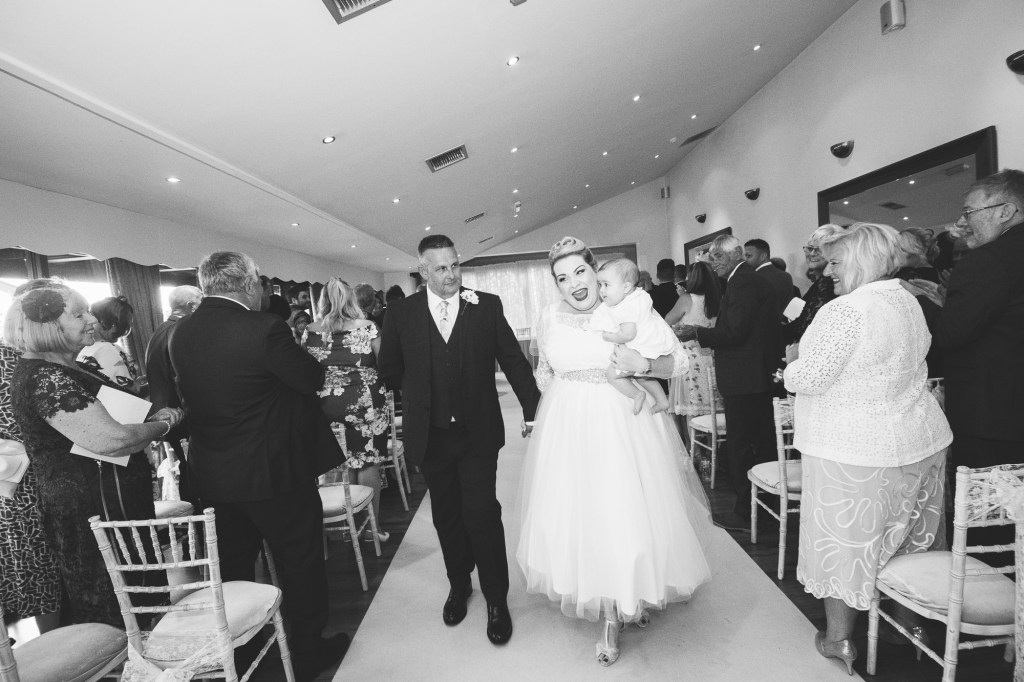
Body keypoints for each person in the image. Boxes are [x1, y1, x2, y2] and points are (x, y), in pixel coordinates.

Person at [516, 236, 713, 667]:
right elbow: (544, 374)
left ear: (596, 271)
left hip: (626, 421)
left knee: (627, 510)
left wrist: (643, 366)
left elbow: (678, 362)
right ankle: (608, 606)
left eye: (580, 272)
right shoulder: (549, 316)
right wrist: (561, 403)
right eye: (562, 278)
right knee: (582, 516)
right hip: (569, 427)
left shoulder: (628, 307)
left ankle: (625, 599)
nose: (574, 284)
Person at [169, 252, 348, 680]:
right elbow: (309, 378)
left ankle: (241, 650)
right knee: (299, 562)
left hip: (214, 474)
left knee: (233, 566)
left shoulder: (180, 333)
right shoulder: (265, 328)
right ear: (250, 284)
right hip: (275, 472)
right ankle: (308, 651)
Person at [784, 223, 951, 675]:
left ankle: (839, 639)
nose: (828, 272)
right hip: (919, 439)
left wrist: (793, 364)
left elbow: (810, 377)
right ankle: (911, 626)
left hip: (854, 448)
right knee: (908, 537)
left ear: (861, 262)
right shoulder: (908, 301)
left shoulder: (846, 310)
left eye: (836, 262)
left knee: (847, 543)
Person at [378, 234, 540, 646]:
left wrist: (533, 409)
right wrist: (420, 393)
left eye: (455, 265)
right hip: (430, 436)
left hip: (477, 432)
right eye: (441, 268)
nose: (451, 275)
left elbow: (513, 359)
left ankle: (497, 599)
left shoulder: (486, 306)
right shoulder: (400, 313)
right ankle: (459, 584)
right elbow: (390, 369)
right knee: (446, 515)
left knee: (482, 513)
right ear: (423, 271)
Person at [5, 284, 183, 626]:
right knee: (119, 611)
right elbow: (112, 439)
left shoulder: (66, 366)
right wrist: (162, 425)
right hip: (93, 509)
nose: (92, 320)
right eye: (78, 314)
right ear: (48, 328)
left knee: (140, 599)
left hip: (110, 501)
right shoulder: (45, 376)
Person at [906, 169, 1024, 470]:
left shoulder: (989, 259)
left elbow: (949, 334)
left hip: (993, 415)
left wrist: (917, 297)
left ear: (1005, 212)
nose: (963, 221)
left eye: (970, 212)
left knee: (990, 498)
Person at [676, 234, 781, 529]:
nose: (713, 263)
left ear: (736, 254)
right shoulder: (743, 279)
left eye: (718, 256)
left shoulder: (743, 281)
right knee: (758, 443)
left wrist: (696, 333)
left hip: (746, 378)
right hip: (753, 376)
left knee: (741, 445)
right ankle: (759, 506)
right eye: (711, 257)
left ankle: (747, 512)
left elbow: (735, 332)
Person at [303, 278, 390, 540]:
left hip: (326, 404)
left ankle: (348, 526)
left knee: (343, 461)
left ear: (322, 301)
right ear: (351, 299)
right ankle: (371, 529)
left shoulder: (311, 330)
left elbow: (305, 367)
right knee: (368, 461)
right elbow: (385, 363)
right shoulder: (367, 327)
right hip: (365, 402)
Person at [0, 280, 61, 634]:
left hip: (19, 476)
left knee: (33, 563)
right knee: (42, 564)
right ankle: (60, 646)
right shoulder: (20, 362)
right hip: (28, 476)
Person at [589, 258, 676, 414]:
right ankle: (662, 400)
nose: (601, 290)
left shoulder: (625, 307)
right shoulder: (639, 296)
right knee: (641, 376)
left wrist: (610, 336)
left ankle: (637, 394)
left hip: (640, 346)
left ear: (626, 287)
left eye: (606, 285)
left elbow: (628, 334)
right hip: (652, 341)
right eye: (599, 285)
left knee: (612, 375)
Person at [145, 285, 202, 504]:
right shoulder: (180, 330)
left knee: (188, 473)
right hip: (180, 414)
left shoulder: (162, 329)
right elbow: (184, 376)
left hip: (168, 411)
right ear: (191, 305)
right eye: (202, 301)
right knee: (193, 475)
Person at [664, 261, 723, 443]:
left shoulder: (687, 299)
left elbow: (667, 321)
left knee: (690, 406)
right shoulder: (719, 299)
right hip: (711, 356)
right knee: (711, 405)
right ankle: (712, 445)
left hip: (690, 357)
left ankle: (694, 449)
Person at [784, 225, 846, 351]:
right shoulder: (822, 281)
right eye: (810, 248)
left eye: (819, 250)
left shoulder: (830, 282)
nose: (812, 253)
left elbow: (806, 327)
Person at [77, 295, 142, 394]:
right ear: (112, 325)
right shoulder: (106, 350)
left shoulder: (85, 349)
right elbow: (129, 391)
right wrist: (136, 385)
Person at [744, 238, 795, 319]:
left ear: (763, 256)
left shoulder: (752, 279)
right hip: (785, 324)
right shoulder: (786, 276)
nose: (745, 260)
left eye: (748, 256)